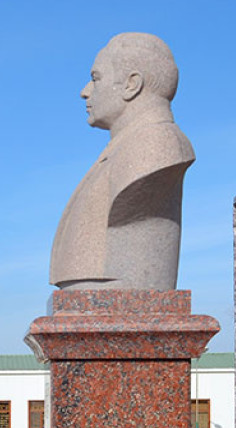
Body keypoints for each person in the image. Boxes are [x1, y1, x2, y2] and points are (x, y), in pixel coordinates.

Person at [50, 32, 195, 290]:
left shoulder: (156, 145)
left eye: (96, 79)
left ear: (132, 84)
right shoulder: (122, 149)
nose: (85, 92)